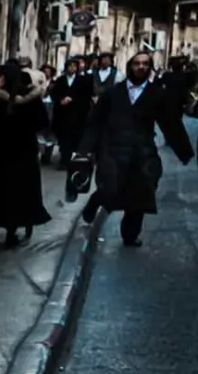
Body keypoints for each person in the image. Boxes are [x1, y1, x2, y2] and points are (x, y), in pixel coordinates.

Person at [81, 49, 197, 246]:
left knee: (140, 193)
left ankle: (130, 234)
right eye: (137, 63)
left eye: (145, 64)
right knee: (110, 187)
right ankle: (94, 203)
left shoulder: (157, 94)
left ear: (149, 68)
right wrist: (84, 149)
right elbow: (96, 122)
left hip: (142, 151)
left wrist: (183, 150)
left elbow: (170, 123)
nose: (141, 67)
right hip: (113, 149)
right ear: (130, 67)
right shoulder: (113, 93)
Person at [0, 62, 52, 247]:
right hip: (23, 155)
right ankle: (12, 233)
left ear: (2, 79)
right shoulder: (31, 99)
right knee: (18, 192)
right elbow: (42, 122)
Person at [51, 55, 96, 169]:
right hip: (63, 114)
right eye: (70, 66)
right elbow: (54, 94)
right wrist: (60, 100)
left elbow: (86, 96)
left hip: (77, 114)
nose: (72, 68)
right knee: (63, 137)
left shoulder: (82, 80)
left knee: (75, 137)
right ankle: (64, 159)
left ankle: (72, 159)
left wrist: (73, 99)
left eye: (74, 66)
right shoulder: (60, 80)